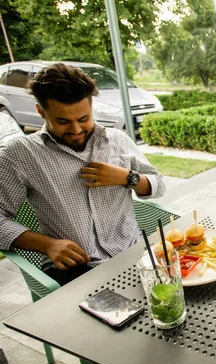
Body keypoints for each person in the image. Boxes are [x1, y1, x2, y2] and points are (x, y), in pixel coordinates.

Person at [0, 63, 166, 285]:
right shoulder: (21, 154)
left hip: (133, 253)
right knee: (118, 319)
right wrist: (46, 245)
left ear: (91, 107)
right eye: (63, 122)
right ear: (41, 111)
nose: (76, 130)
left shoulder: (117, 140)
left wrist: (128, 177)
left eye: (83, 119)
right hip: (75, 269)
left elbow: (158, 184)